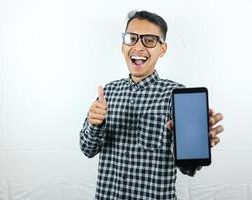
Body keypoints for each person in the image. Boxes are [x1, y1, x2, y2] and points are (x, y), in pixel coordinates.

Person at [80, 10, 223, 200]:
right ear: (123, 45)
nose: (138, 47)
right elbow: (87, 149)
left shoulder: (176, 96)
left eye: (149, 40)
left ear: (162, 49)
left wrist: (195, 146)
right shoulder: (107, 93)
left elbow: (189, 168)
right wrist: (94, 124)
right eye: (131, 38)